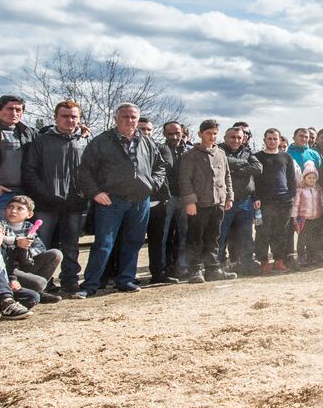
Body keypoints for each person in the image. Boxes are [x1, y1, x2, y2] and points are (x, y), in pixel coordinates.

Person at [74, 103, 166, 297]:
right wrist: (96, 192)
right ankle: (90, 285)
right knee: (104, 243)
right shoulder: (102, 141)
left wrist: (152, 186)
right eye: (125, 116)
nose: (129, 120)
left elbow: (160, 167)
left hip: (140, 201)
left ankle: (126, 280)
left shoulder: (147, 142)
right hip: (111, 201)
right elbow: (85, 171)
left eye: (133, 117)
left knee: (134, 242)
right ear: (116, 119)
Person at [20, 100, 88, 293]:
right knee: (41, 244)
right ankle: (42, 281)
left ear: (79, 119)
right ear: (56, 118)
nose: (69, 120)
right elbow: (30, 171)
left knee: (71, 245)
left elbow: (91, 172)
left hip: (74, 203)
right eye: (65, 116)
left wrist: (82, 194)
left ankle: (70, 279)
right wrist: (45, 194)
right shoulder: (41, 141)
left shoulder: (84, 141)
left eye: (74, 116)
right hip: (45, 204)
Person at [179, 119, 236, 285]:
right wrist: (190, 201)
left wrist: (229, 196)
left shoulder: (221, 154)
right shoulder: (191, 155)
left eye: (215, 134)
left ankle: (213, 268)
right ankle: (195, 269)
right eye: (208, 133)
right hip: (198, 203)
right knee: (195, 237)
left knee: (213, 237)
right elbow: (185, 180)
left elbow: (227, 177)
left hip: (217, 202)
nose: (212, 137)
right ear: (200, 134)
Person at [0, 195, 64, 303]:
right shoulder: (0, 225)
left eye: (19, 208)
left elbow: (40, 247)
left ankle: (38, 293)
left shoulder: (29, 226)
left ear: (29, 214)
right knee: (39, 283)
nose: (13, 211)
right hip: (10, 268)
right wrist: (16, 242)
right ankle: (25, 292)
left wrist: (27, 252)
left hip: (25, 263)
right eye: (11, 207)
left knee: (55, 254)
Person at [147, 121, 189, 284]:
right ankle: (160, 270)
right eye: (170, 134)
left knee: (184, 235)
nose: (174, 137)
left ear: (182, 133)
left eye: (177, 133)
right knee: (162, 237)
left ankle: (182, 267)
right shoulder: (160, 149)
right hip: (167, 197)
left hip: (185, 197)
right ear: (164, 134)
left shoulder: (188, 150)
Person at [219, 124, 262, 274]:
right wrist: (243, 164)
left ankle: (247, 262)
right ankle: (218, 265)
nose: (236, 140)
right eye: (232, 137)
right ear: (225, 138)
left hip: (245, 200)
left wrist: (235, 168)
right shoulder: (218, 150)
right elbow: (223, 164)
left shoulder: (247, 151)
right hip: (225, 200)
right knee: (221, 234)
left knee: (246, 234)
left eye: (239, 137)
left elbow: (258, 168)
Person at [255, 128, 298, 274]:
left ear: (279, 140)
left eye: (275, 139)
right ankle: (264, 262)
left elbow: (292, 179)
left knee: (281, 232)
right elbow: (253, 181)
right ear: (264, 140)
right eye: (269, 138)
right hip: (264, 202)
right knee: (263, 232)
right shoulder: (257, 157)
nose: (272, 141)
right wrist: (255, 198)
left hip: (284, 201)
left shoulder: (286, 157)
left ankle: (279, 261)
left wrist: (291, 196)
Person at [292, 161, 323, 267]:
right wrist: (294, 218)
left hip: (316, 218)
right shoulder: (300, 190)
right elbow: (296, 205)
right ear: (304, 178)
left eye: (313, 177)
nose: (311, 180)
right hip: (304, 219)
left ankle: (312, 257)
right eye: (309, 177)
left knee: (313, 240)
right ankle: (301, 258)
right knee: (302, 239)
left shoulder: (318, 190)